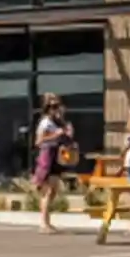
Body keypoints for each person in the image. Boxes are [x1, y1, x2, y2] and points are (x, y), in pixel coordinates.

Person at [31, 93, 75, 235]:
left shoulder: (58, 122)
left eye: (58, 106)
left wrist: (67, 133)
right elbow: (38, 141)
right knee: (48, 191)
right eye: (53, 106)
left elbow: (66, 138)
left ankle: (47, 222)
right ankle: (44, 223)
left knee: (54, 190)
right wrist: (55, 135)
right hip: (47, 154)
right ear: (47, 108)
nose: (56, 109)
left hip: (57, 155)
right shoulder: (45, 122)